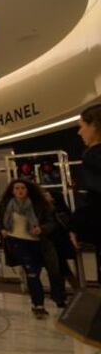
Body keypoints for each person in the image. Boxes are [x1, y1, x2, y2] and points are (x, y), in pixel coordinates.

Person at [0, 179, 58, 319]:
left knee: (35, 273)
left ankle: (36, 302)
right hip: (18, 243)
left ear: (28, 190)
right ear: (12, 191)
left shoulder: (39, 205)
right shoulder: (6, 205)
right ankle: (39, 305)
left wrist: (41, 229)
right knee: (32, 272)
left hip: (37, 243)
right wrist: (1, 229)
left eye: (23, 188)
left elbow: (52, 223)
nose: (20, 191)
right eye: (16, 188)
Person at [72, 104, 101, 282]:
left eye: (82, 126)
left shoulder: (93, 155)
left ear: (94, 126)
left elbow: (96, 197)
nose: (79, 132)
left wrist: (76, 225)